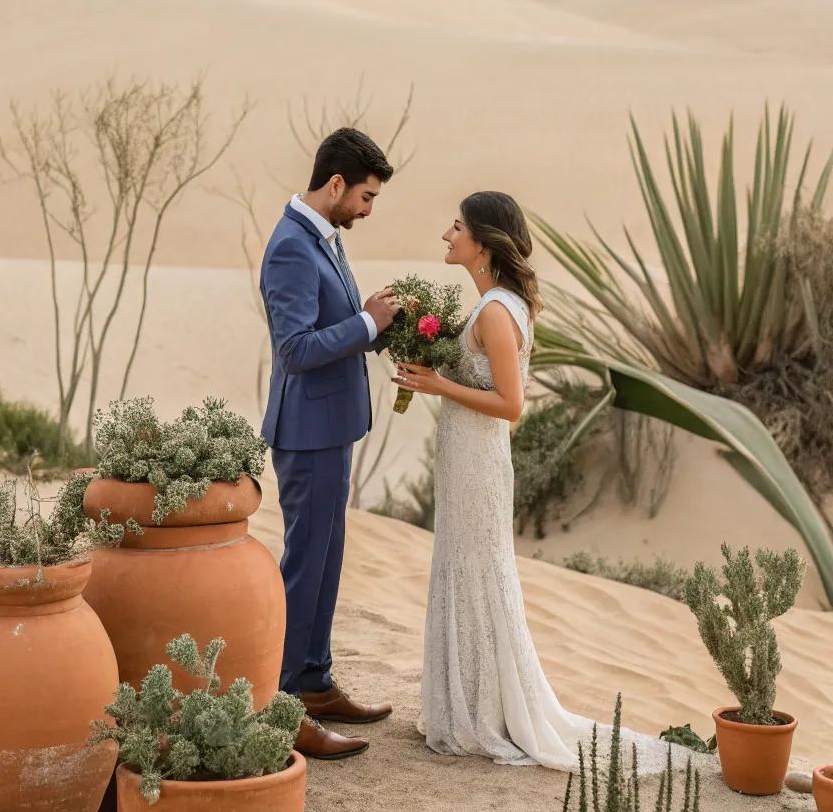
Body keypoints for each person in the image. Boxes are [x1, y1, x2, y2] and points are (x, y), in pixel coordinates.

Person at [394, 191, 675, 773]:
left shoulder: (497, 311)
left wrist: (438, 385)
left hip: (478, 464)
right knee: (465, 567)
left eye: (457, 227)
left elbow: (511, 404)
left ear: (483, 242)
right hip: (470, 460)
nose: (448, 235)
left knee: (475, 570)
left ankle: (482, 715)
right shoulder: (494, 304)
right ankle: (468, 706)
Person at [260, 128, 400, 761]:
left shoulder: (327, 238)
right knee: (304, 565)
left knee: (328, 559)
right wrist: (368, 320)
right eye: (366, 197)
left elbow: (336, 327)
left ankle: (315, 682)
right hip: (307, 433)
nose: (368, 211)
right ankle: (284, 706)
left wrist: (385, 326)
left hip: (335, 428)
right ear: (337, 184)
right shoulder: (290, 247)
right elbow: (295, 350)